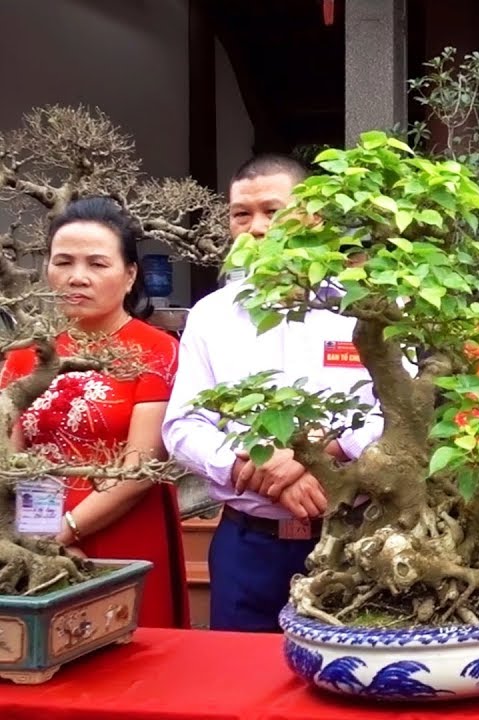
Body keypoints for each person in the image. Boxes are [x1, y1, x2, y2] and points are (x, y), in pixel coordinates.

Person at [162, 154, 383, 632]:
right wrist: (253, 461)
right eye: (242, 214)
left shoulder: (365, 306)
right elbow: (182, 425)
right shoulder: (210, 315)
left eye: (272, 211)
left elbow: (394, 411)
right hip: (249, 544)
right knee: (239, 689)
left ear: (314, 217)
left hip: (355, 535)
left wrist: (315, 451)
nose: (256, 228)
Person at [1, 196, 189, 628]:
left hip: (124, 527)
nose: (77, 277)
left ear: (129, 276)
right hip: (30, 533)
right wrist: (32, 542)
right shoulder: (27, 354)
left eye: (97, 264)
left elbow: (143, 464)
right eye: (63, 261)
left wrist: (65, 531)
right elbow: (8, 461)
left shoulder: (157, 350)